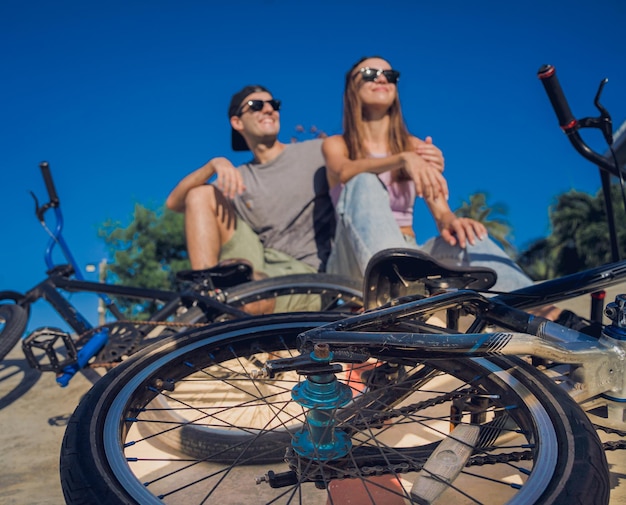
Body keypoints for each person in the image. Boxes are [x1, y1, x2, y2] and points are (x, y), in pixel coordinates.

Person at [323, 55, 592, 327]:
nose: (381, 79)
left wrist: (451, 220)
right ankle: (398, 303)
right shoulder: (336, 144)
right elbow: (345, 171)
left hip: (408, 255)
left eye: (389, 75)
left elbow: (442, 215)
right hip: (353, 264)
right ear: (351, 88)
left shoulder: (414, 145)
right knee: (364, 181)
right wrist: (403, 159)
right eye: (369, 73)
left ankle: (551, 319)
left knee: (464, 235)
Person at [166, 85, 335, 312]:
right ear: (237, 122)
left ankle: (223, 304)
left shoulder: (317, 151)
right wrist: (214, 164)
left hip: (305, 274)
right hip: (257, 262)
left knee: (249, 298)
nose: (268, 110)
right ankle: (205, 292)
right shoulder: (236, 177)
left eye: (273, 105)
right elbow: (174, 203)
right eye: (256, 105)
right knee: (200, 193)